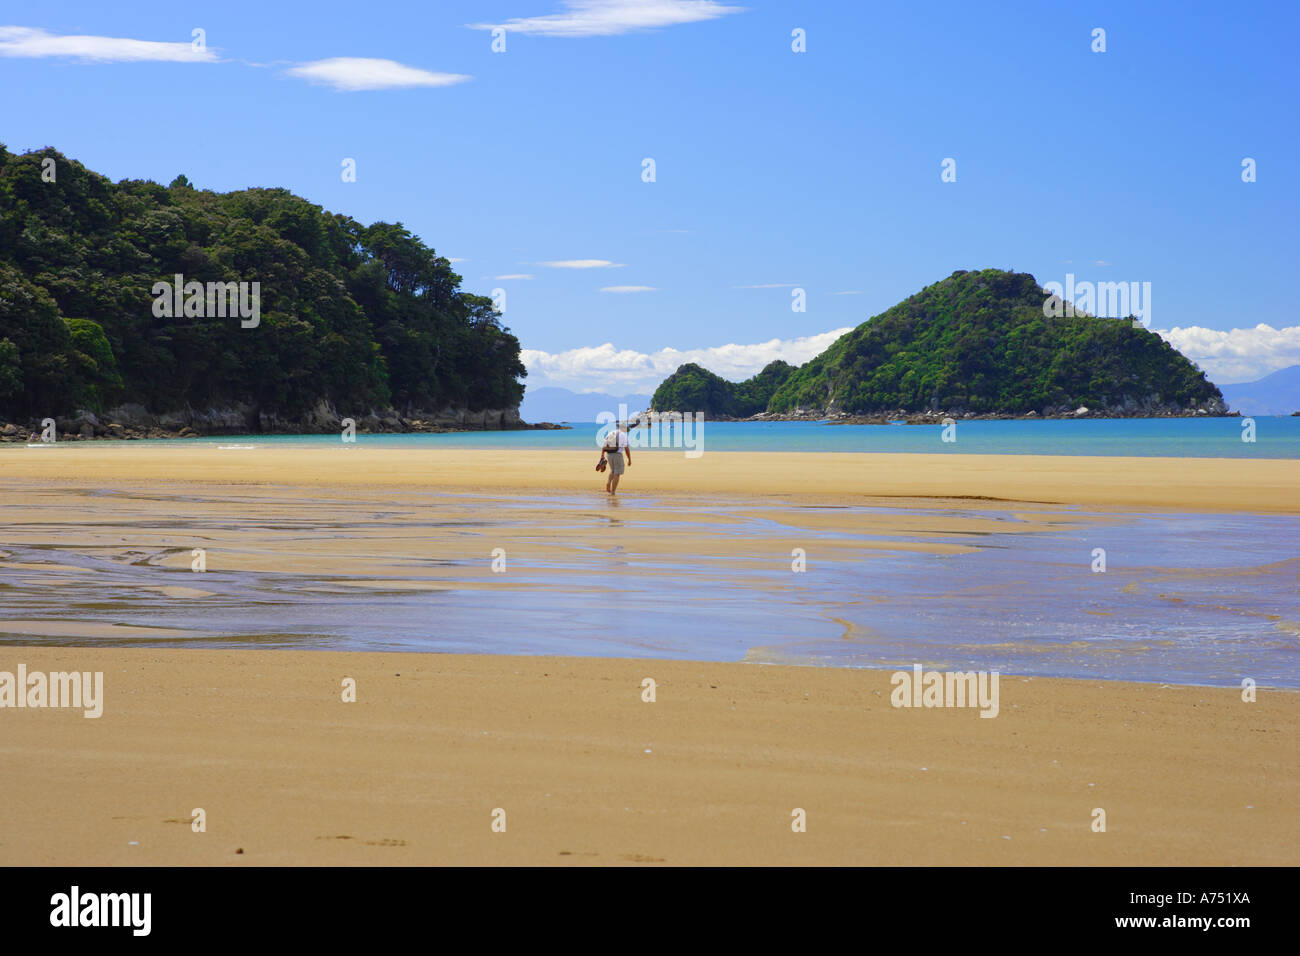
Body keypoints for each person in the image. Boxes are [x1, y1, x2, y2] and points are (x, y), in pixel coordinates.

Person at [599, 421, 631, 495]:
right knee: (617, 473)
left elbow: (604, 444)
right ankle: (613, 492)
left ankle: (608, 482)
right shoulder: (623, 435)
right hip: (617, 455)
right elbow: (626, 448)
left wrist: (602, 455)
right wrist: (629, 459)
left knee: (612, 470)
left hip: (608, 454)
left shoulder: (611, 433)